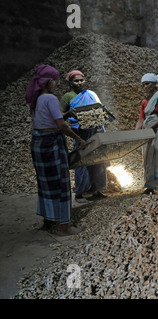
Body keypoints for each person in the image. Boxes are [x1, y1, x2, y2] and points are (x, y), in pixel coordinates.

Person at [26, 65, 87, 236]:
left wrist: (65, 114)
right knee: (61, 183)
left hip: (38, 143)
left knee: (45, 183)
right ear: (48, 81)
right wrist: (78, 138)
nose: (55, 84)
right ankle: (64, 228)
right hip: (52, 143)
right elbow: (60, 125)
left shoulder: (37, 98)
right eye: (54, 81)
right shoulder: (51, 98)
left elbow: (48, 119)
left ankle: (48, 222)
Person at [60, 70, 107, 203]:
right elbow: (59, 116)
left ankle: (96, 190)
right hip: (79, 132)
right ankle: (80, 193)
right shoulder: (67, 97)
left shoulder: (91, 94)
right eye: (76, 81)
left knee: (97, 159)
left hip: (95, 130)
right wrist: (69, 113)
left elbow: (100, 108)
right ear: (70, 83)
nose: (80, 83)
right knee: (82, 161)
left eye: (82, 80)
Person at [135, 73, 158, 194]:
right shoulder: (145, 101)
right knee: (148, 156)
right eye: (143, 85)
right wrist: (136, 133)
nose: (145, 87)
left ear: (155, 84)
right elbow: (141, 118)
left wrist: (152, 127)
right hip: (148, 131)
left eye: (147, 84)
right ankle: (150, 185)